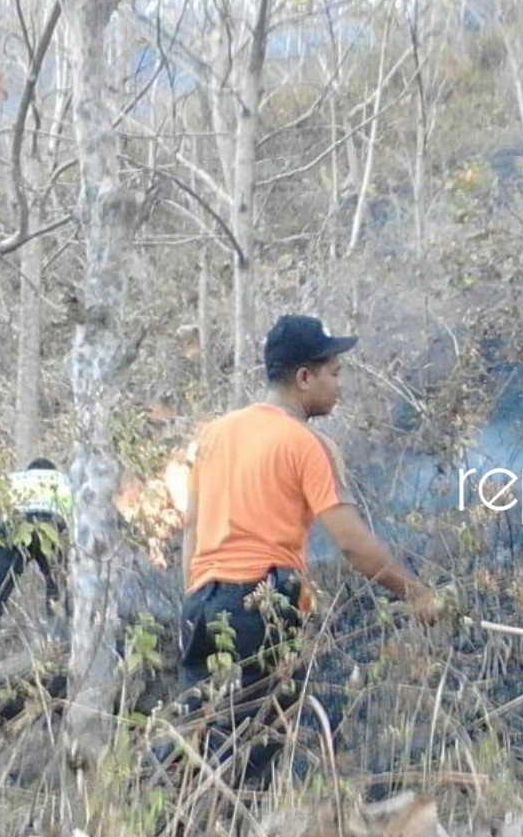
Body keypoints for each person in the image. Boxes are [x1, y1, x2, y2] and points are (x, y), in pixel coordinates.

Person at [177, 313, 441, 787]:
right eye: (334, 373)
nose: (339, 386)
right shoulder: (302, 443)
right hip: (262, 607)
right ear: (304, 378)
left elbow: (192, 528)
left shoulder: (213, 436)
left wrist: (195, 596)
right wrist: (417, 593)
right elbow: (353, 545)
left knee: (199, 748)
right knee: (253, 754)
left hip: (201, 605)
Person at [0, 458, 72, 659]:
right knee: (58, 585)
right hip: (53, 525)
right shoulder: (64, 480)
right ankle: (61, 640)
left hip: (16, 525)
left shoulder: (15, 480)